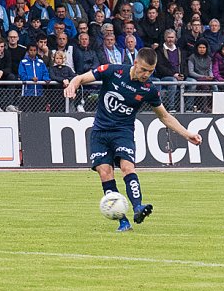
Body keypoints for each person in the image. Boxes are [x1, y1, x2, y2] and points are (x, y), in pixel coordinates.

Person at [63, 48, 202, 232]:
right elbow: (80, 78)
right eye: (143, 69)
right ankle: (123, 221)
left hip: (123, 132)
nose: (146, 74)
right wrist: (72, 85)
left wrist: (187, 134)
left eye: (150, 71)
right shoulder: (113, 71)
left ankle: (138, 207)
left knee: (127, 167)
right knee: (105, 173)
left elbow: (164, 116)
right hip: (100, 132)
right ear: (135, 63)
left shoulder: (149, 89)